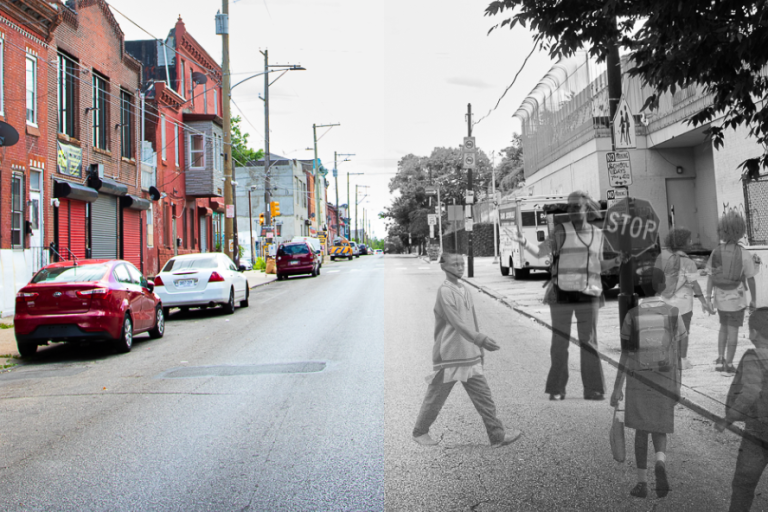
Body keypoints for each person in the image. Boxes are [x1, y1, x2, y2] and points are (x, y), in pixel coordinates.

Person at [510, 190, 622, 401]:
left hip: (589, 294)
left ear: (587, 208)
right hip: (561, 293)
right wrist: (523, 242)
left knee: (588, 342)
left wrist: (614, 262)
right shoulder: (561, 231)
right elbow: (541, 252)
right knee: (559, 342)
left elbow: (599, 264)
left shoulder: (598, 235)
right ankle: (557, 389)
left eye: (576, 207)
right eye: (569, 207)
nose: (572, 211)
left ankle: (593, 389)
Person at [412, 252, 523, 447]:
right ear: (443, 267)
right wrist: (480, 339)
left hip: (468, 355)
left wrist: (478, 347)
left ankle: (497, 436)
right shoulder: (444, 292)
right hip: (449, 355)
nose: (460, 267)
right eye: (455, 264)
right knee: (435, 396)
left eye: (462, 264)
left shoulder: (465, 289)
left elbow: (472, 321)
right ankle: (420, 432)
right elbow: (457, 323)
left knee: (484, 397)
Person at [611, 267, 686, 499]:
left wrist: (617, 387)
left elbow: (625, 354)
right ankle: (660, 462)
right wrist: (677, 385)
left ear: (640, 288)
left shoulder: (632, 316)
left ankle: (642, 483)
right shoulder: (673, 313)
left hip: (638, 381)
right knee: (659, 425)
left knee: (642, 430)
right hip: (664, 378)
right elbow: (679, 354)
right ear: (663, 286)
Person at [717, 307, 768, 511]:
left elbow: (749, 393)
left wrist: (728, 419)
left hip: (758, 430)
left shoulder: (753, 357)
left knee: (743, 485)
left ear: (754, 333)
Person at [654, 227, 714, 369]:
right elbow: (695, 285)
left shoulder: (662, 258)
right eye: (689, 239)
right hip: (684, 303)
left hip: (665, 301)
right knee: (683, 332)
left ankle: (664, 359)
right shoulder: (688, 262)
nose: (691, 241)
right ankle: (681, 360)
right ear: (683, 243)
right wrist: (704, 302)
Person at [707, 209, 758, 373]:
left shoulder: (716, 252)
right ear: (740, 230)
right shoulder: (743, 253)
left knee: (723, 328)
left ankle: (720, 359)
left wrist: (708, 297)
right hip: (737, 299)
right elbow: (750, 277)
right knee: (733, 330)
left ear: (722, 230)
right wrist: (754, 300)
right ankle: (729, 363)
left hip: (720, 298)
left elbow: (710, 276)